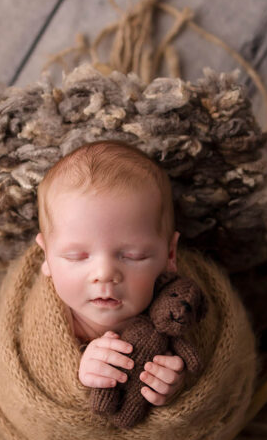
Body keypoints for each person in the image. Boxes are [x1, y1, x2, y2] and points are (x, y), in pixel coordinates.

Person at [35, 140, 187, 409]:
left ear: (170, 255)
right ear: (46, 256)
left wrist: (174, 384)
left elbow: (208, 357)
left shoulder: (178, 310)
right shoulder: (46, 323)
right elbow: (30, 374)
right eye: (76, 256)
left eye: (133, 256)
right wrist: (77, 375)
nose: (104, 274)